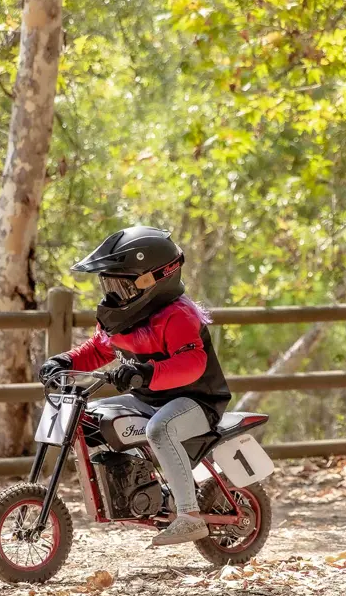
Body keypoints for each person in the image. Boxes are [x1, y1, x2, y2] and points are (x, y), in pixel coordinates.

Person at [39, 226, 231, 546]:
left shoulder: (178, 316)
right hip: (149, 397)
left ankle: (189, 516)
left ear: (152, 280)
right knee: (91, 417)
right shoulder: (121, 317)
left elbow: (192, 364)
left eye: (121, 284)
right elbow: (101, 349)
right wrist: (66, 361)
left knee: (159, 429)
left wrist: (145, 372)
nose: (113, 293)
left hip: (198, 400)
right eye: (109, 283)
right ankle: (138, 489)